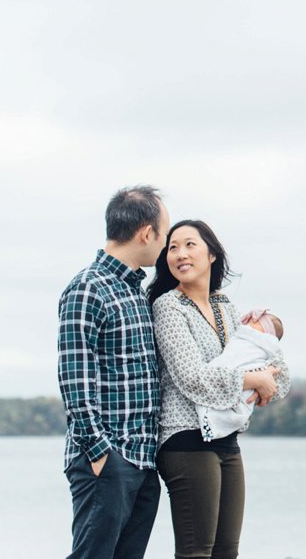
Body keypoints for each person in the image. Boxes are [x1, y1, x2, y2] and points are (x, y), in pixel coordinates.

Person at [148, 220, 289, 559]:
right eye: (172, 247)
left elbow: (276, 370)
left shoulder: (226, 307)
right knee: (197, 552)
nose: (180, 253)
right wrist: (251, 381)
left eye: (189, 245)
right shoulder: (168, 307)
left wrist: (266, 377)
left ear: (212, 253)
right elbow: (192, 378)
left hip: (226, 440)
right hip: (184, 440)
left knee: (227, 552)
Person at [58, 185, 171, 559]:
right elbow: (75, 380)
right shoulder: (88, 288)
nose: (167, 242)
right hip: (108, 461)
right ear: (146, 232)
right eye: (165, 232)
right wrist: (101, 455)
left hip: (142, 461)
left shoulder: (137, 292)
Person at [195, 310, 285, 441]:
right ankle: (215, 424)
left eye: (256, 321)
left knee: (243, 401)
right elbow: (196, 378)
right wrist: (258, 379)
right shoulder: (245, 337)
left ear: (266, 331)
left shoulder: (260, 342)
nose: (248, 323)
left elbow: (281, 375)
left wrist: (265, 378)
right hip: (230, 381)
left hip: (244, 384)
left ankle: (216, 423)